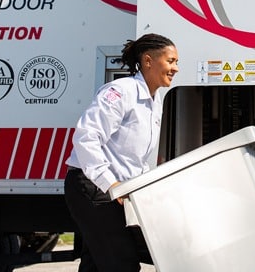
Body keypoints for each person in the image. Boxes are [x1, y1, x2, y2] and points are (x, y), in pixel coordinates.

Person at [64, 33, 179, 272]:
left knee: (97, 263)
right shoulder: (120, 92)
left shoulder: (154, 100)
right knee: (121, 263)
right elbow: (87, 137)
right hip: (92, 187)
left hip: (113, 191)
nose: (175, 68)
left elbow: (135, 158)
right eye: (170, 61)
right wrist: (111, 184)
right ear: (148, 61)